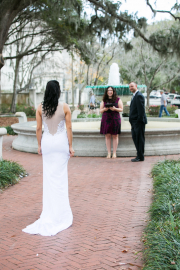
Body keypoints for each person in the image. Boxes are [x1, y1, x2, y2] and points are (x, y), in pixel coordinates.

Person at [22, 80, 74, 236]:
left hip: (47, 143)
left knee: (49, 177)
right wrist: (71, 146)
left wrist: (39, 145)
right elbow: (69, 127)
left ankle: (50, 211)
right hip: (60, 143)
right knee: (60, 177)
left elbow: (39, 128)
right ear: (58, 91)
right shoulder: (65, 107)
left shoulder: (40, 108)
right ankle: (61, 212)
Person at [100, 86, 123, 159]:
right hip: (106, 118)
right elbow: (100, 110)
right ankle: (109, 153)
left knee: (115, 135)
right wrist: (104, 109)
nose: (110, 92)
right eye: (108, 90)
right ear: (107, 92)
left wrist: (115, 108)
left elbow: (121, 109)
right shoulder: (104, 100)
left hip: (115, 118)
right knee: (107, 136)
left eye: (111, 90)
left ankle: (114, 153)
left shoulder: (118, 99)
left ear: (113, 91)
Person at [129, 82, 147, 162]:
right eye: (129, 87)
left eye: (132, 86)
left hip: (138, 122)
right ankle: (139, 155)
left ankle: (140, 157)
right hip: (134, 122)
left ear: (136, 86)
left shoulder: (139, 95)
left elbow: (141, 110)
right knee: (135, 138)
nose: (131, 88)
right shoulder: (134, 96)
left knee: (139, 139)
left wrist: (138, 121)